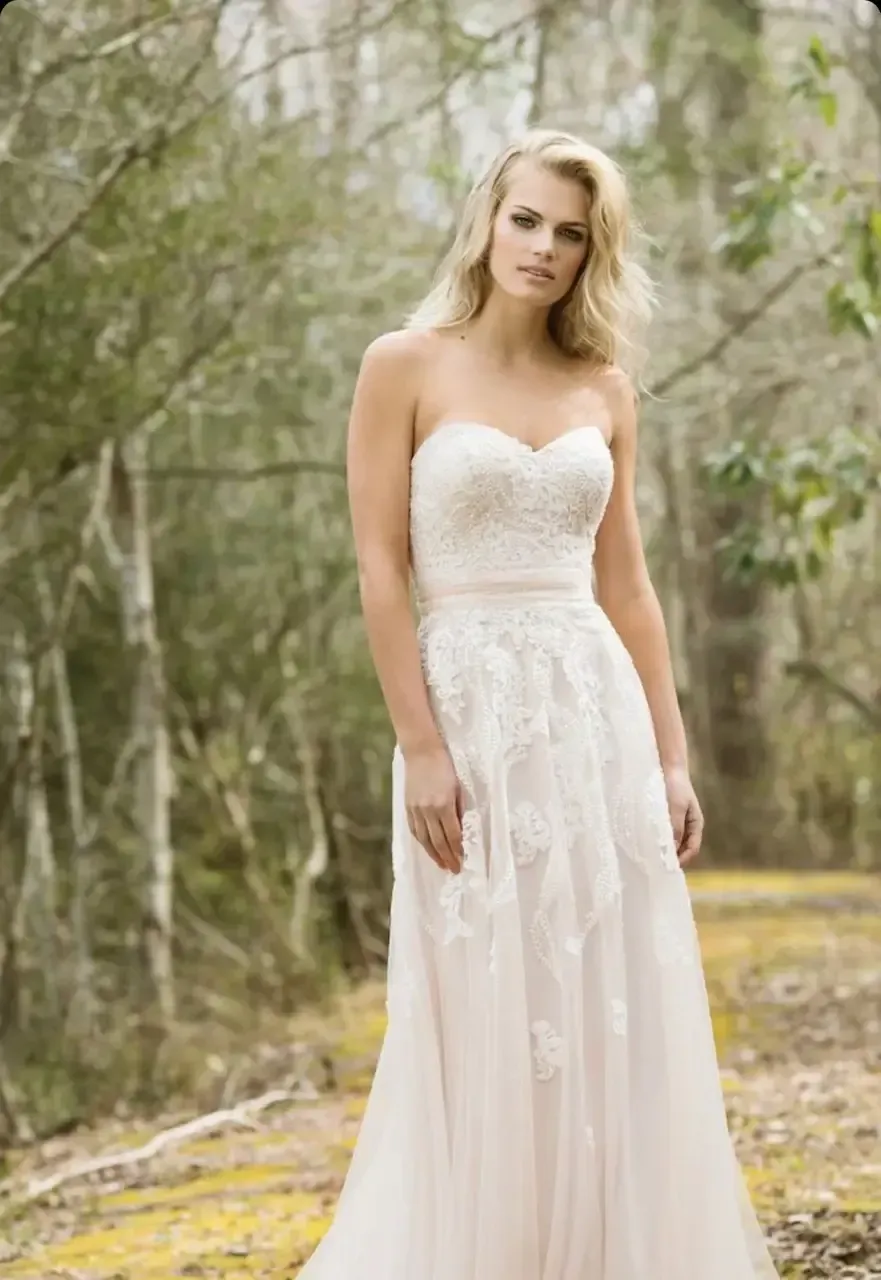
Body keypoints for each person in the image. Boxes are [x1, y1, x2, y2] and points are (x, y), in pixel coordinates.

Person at [299, 128, 779, 1279]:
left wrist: (669, 756)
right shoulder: (401, 363)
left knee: (605, 983)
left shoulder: (602, 385)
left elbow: (629, 583)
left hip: (592, 712)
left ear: (589, 253)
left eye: (571, 234)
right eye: (527, 220)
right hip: (464, 706)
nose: (544, 249)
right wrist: (418, 741)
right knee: (481, 990)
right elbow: (378, 563)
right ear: (485, 216)